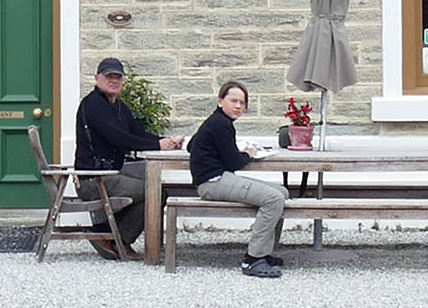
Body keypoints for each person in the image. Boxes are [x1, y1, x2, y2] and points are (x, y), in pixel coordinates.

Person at [74, 57, 182, 260]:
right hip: (93, 180)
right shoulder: (93, 105)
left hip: (109, 176)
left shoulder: (119, 107)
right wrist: (158, 145)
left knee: (156, 190)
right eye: (109, 76)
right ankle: (115, 238)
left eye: (118, 77)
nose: (114, 81)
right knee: (154, 191)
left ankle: (107, 234)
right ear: (97, 78)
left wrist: (164, 141)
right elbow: (119, 138)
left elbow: (137, 133)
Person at [189, 81, 289, 278]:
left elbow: (191, 145)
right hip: (212, 182)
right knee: (274, 199)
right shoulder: (221, 124)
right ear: (220, 101)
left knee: (282, 192)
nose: (238, 106)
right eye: (233, 101)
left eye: (242, 103)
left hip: (218, 178)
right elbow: (234, 162)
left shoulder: (215, 121)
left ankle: (264, 251)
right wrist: (248, 153)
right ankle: (252, 259)